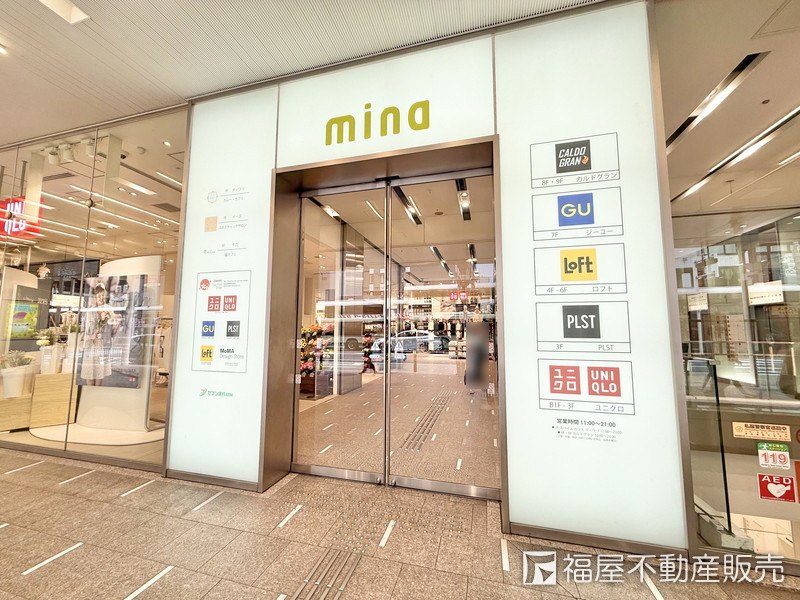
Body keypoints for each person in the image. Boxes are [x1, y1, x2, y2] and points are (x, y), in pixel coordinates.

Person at [80, 283, 117, 386]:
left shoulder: (109, 310)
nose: (101, 298)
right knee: (89, 376)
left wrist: (115, 327)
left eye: (103, 295)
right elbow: (82, 333)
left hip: (102, 346)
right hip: (90, 347)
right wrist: (92, 336)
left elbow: (112, 333)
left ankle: (97, 392)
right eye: (99, 295)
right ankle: (89, 393)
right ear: (95, 297)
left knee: (99, 376)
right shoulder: (89, 311)